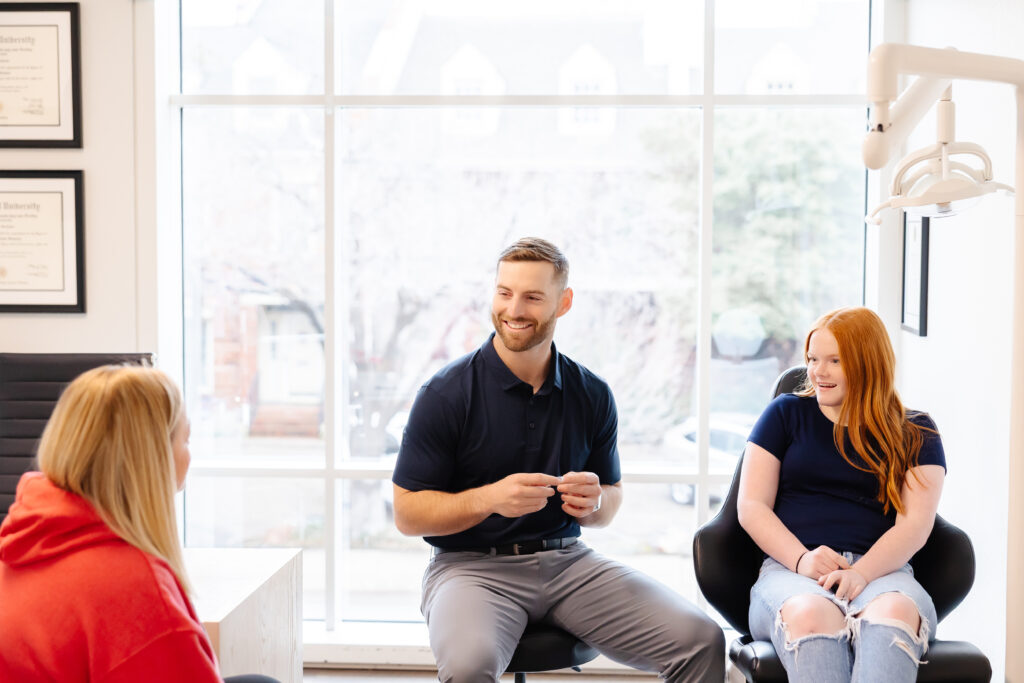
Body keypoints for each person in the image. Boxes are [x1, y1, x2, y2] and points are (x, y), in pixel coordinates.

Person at [392, 237, 724, 683]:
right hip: (470, 568)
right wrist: (490, 499)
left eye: (532, 297)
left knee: (701, 640)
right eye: (504, 292)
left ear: (563, 303)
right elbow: (409, 514)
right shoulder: (446, 393)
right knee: (469, 669)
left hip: (569, 563)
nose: (514, 309)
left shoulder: (592, 393)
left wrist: (594, 502)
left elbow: (609, 503)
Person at [0, 365, 279, 683]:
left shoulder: (22, 537)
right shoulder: (136, 589)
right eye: (185, 440)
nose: (189, 455)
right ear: (153, 457)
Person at [737, 307, 946, 683]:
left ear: (869, 363)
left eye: (834, 360)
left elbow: (915, 525)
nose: (818, 372)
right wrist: (802, 559)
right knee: (812, 616)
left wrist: (862, 573)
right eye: (813, 359)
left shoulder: (918, 431)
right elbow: (751, 506)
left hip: (884, 572)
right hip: (791, 573)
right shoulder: (784, 414)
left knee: (893, 616)